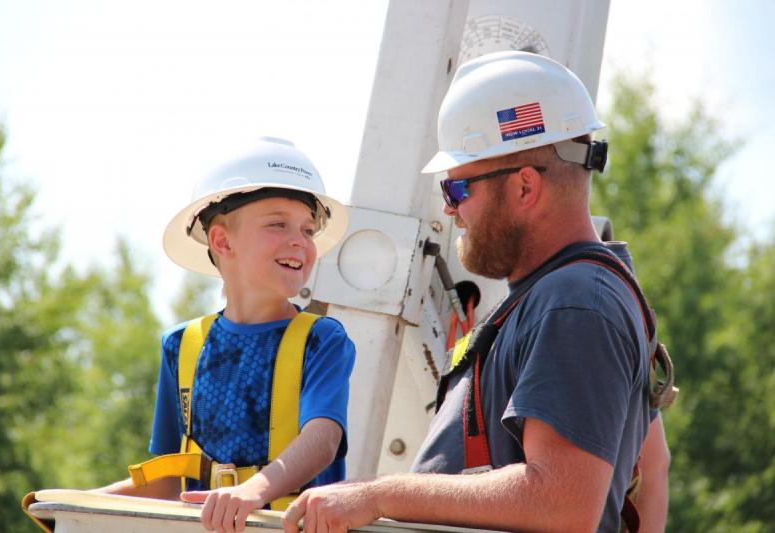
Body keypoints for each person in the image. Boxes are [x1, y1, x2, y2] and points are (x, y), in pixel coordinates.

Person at [282, 52, 672, 532]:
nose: (450, 211)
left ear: (525, 187)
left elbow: (561, 501)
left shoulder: (575, 303)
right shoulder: (565, 298)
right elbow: (655, 466)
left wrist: (378, 494)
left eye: (457, 191)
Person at [94, 137, 355, 533]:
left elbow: (322, 441)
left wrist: (251, 491)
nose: (299, 241)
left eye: (307, 229)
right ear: (222, 240)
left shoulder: (322, 340)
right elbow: (169, 481)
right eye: (277, 224)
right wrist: (75, 503)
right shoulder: (181, 347)